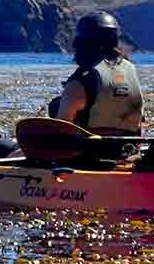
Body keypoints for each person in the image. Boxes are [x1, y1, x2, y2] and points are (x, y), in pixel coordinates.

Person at [50, 12, 144, 158]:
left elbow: (61, 131)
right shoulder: (129, 70)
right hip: (126, 151)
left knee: (2, 146)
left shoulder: (80, 82)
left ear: (82, 43)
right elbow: (139, 122)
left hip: (88, 156)